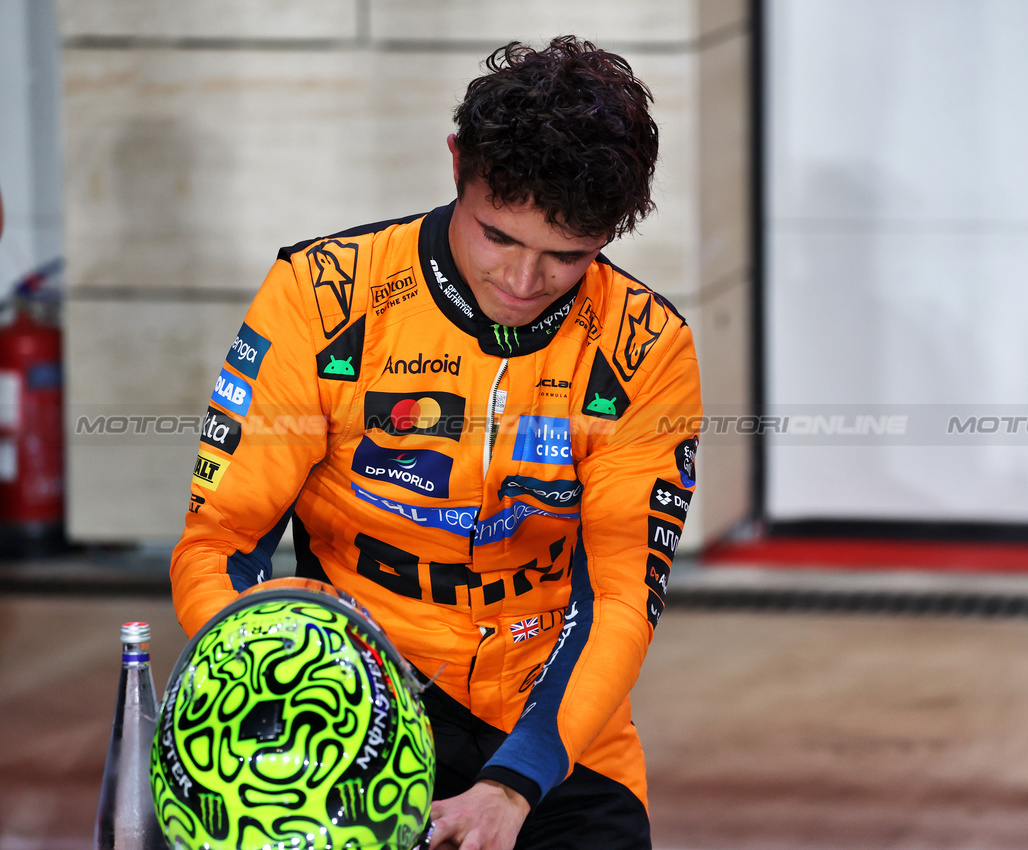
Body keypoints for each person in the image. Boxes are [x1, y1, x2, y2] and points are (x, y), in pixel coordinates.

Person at [170, 35, 702, 850]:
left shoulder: (646, 346)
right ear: (457, 164)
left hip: (548, 726)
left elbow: (621, 599)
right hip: (347, 702)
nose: (523, 283)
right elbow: (219, 544)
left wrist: (515, 782)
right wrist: (269, 645)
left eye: (567, 256)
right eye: (498, 236)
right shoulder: (322, 295)